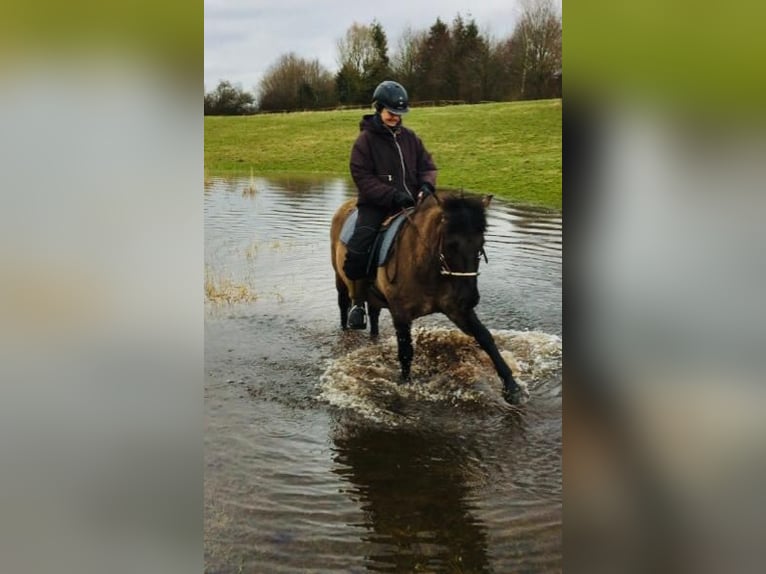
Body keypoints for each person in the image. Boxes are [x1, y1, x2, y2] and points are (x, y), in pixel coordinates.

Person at [343, 80, 438, 329]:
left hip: (413, 204)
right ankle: (357, 302)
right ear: (378, 108)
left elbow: (428, 166)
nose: (396, 117)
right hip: (376, 206)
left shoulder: (411, 139)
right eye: (391, 112)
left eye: (399, 113)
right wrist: (392, 196)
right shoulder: (364, 142)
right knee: (359, 247)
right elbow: (362, 177)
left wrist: (427, 185)